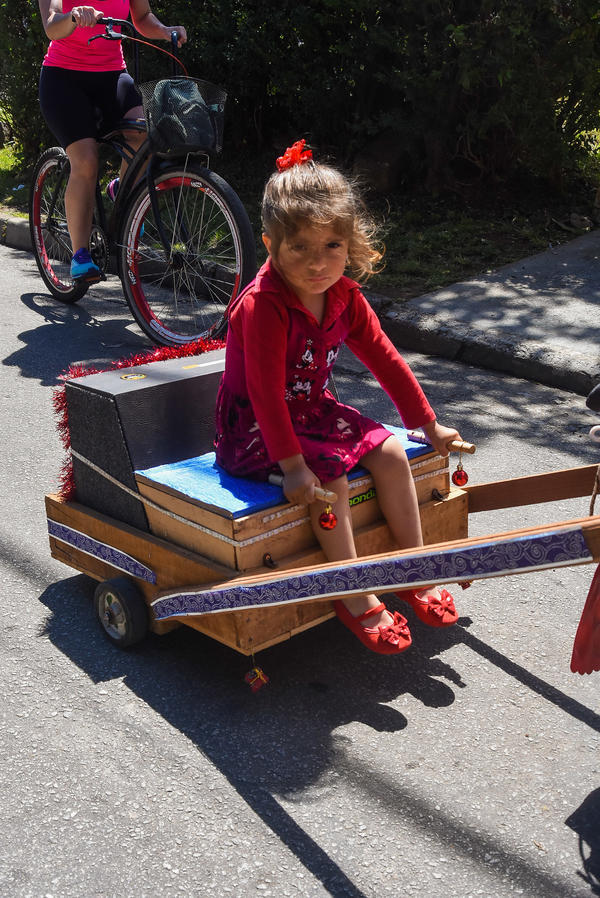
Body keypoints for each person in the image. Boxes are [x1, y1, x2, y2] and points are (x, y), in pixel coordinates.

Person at [214, 140, 463, 655]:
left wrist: (428, 424)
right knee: (331, 476)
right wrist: (293, 466)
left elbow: (386, 360)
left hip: (311, 411)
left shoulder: (346, 297)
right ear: (270, 245)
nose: (317, 262)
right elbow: (263, 394)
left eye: (332, 246)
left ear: (350, 244)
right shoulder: (264, 306)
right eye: (298, 247)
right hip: (259, 430)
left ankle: (412, 568)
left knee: (393, 452)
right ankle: (352, 592)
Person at [38, 1, 187, 284]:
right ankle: (80, 254)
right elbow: (52, 25)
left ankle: (122, 190)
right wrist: (73, 16)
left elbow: (142, 18)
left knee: (144, 134)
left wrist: (167, 31)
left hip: (112, 76)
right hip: (63, 80)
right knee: (86, 160)